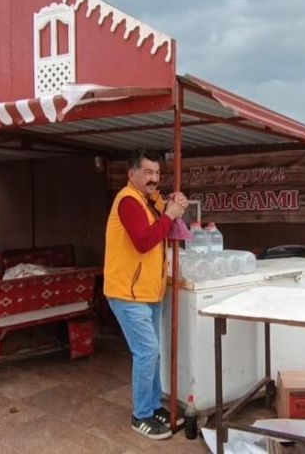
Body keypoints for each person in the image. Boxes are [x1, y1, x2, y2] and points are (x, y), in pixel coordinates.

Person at [104, 149, 188, 440]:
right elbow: (143, 241)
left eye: (157, 173)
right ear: (132, 174)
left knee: (152, 353)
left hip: (149, 293)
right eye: (148, 172)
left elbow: (173, 225)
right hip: (127, 294)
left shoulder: (150, 201)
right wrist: (168, 215)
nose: (154, 178)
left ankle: (153, 406)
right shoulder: (128, 201)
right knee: (147, 352)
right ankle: (141, 415)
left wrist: (176, 207)